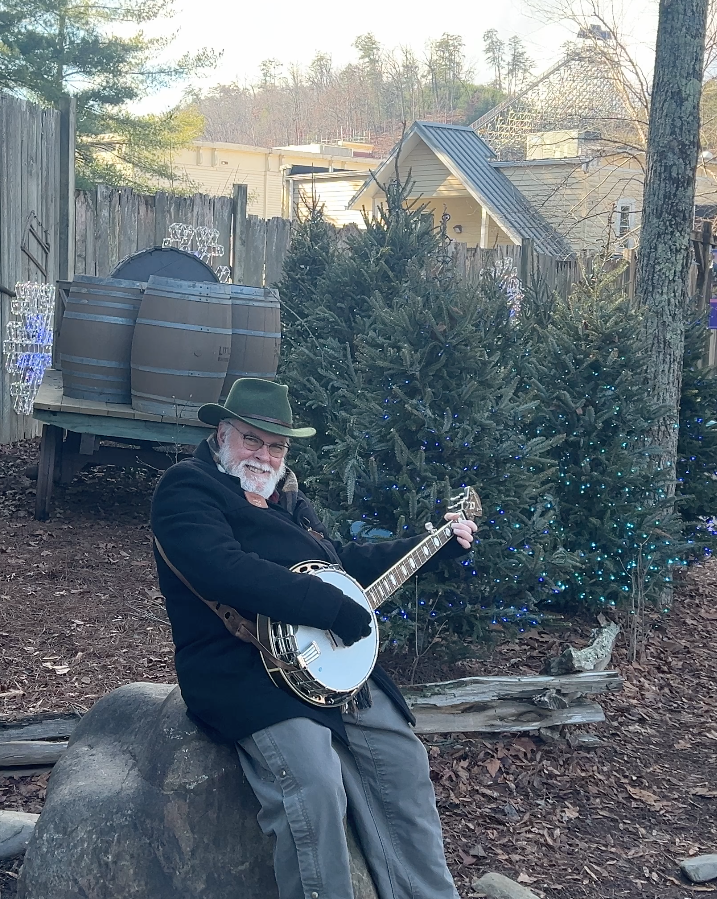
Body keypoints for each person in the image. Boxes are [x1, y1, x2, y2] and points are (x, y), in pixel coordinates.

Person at [149, 378, 478, 899]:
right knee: (315, 787)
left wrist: (432, 547)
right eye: (252, 440)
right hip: (242, 669)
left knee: (404, 763)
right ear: (221, 434)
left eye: (276, 445)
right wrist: (324, 607)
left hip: (325, 664)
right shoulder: (187, 488)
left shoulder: (290, 501)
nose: (264, 454)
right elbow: (221, 568)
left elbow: (341, 566)